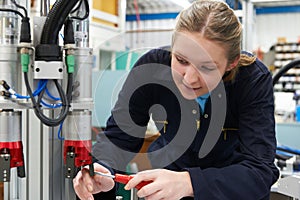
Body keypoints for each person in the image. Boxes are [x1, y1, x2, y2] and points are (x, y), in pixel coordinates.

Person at [73, 0, 279, 199]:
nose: (189, 79)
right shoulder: (151, 69)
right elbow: (119, 138)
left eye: (207, 67)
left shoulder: (252, 79)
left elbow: (259, 171)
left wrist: (190, 183)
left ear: (231, 63)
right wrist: (102, 168)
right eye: (181, 60)